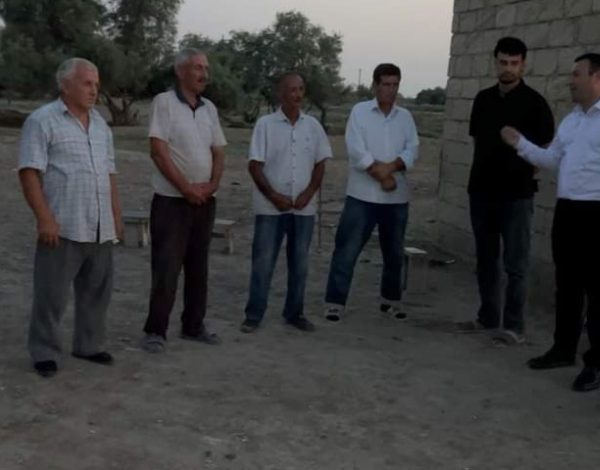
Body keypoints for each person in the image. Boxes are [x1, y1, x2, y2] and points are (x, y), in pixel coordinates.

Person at [501, 53, 600, 390]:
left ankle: (597, 363)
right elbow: (552, 159)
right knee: (566, 286)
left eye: (576, 74)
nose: (571, 81)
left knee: (599, 292)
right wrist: (520, 144)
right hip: (568, 211)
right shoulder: (572, 120)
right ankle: (563, 349)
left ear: (597, 77)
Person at [18, 58, 123, 377]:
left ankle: (89, 345)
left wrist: (116, 216)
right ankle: (44, 351)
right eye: (87, 83)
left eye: (96, 84)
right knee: (51, 294)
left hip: (99, 224)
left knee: (96, 292)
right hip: (63, 223)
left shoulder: (101, 126)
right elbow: (29, 172)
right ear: (65, 85)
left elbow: (109, 173)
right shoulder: (42, 121)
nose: (94, 90)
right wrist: (44, 218)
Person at [456, 37, 555, 345]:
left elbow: (544, 149)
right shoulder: (483, 99)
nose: (508, 68)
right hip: (481, 192)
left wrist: (521, 174)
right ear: (495, 62)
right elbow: (478, 140)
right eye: (503, 62)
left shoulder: (535, 103)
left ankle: (514, 326)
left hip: (517, 196)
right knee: (486, 260)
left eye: (514, 63)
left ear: (523, 64)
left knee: (516, 264)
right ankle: (487, 317)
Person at [140, 48, 228, 352]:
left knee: (198, 267)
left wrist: (212, 185)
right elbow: (158, 151)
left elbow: (219, 151)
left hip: (205, 201)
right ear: (180, 71)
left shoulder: (209, 108)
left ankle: (193, 325)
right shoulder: (164, 103)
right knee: (166, 267)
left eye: (206, 68)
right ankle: (156, 330)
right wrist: (186, 188)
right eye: (198, 67)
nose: (204, 74)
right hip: (171, 202)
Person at [323, 63, 419, 322]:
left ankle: (391, 300)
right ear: (375, 85)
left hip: (396, 198)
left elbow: (412, 150)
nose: (390, 90)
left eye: (395, 85)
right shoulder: (360, 112)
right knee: (347, 250)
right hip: (362, 196)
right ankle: (335, 302)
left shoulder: (405, 117)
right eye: (386, 84)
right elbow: (356, 150)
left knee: (394, 253)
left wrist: (390, 169)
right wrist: (381, 175)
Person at [241, 72, 332, 333]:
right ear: (280, 94)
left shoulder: (313, 126)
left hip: (303, 209)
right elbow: (255, 165)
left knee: (300, 264)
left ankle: (294, 313)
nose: (298, 95)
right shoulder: (265, 125)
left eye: (301, 89)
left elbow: (320, 163)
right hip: (270, 208)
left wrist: (309, 193)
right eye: (292, 90)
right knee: (263, 262)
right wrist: (273, 196)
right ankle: (254, 315)